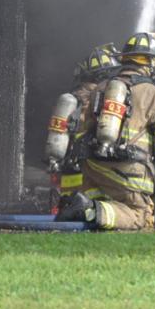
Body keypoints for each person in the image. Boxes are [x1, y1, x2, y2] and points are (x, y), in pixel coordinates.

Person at [58, 31, 155, 230]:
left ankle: (84, 205)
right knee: (141, 216)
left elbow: (83, 130)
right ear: (148, 63)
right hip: (127, 169)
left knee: (106, 203)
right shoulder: (153, 93)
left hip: (92, 169)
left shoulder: (100, 88)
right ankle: (91, 210)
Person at [46, 44, 122, 210]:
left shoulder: (70, 101)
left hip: (68, 174)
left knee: (65, 218)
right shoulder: (108, 99)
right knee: (98, 216)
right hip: (96, 171)